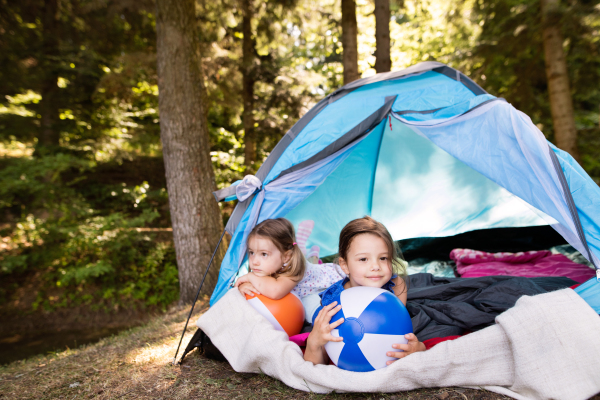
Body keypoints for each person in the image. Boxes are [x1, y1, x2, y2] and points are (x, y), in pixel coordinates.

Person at [304, 216, 426, 366]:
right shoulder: (334, 305)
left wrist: (419, 348)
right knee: (308, 306)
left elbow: (398, 327)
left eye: (383, 258)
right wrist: (313, 343)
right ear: (345, 265)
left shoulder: (396, 284)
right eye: (363, 259)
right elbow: (314, 364)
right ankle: (312, 259)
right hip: (317, 300)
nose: (375, 266)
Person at [235, 218, 306, 300]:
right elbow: (260, 284)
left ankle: (313, 256)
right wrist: (243, 286)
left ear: (286, 257)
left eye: (264, 254)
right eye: (252, 253)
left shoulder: (294, 268)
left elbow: (275, 291)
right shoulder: (264, 268)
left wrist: (250, 277)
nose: (254, 261)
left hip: (317, 292)